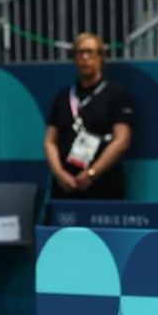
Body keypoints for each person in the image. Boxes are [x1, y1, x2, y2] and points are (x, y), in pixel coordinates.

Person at [44, 32, 133, 200]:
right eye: (80, 52)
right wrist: (59, 174)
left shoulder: (115, 94)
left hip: (103, 185)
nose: (85, 57)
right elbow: (49, 141)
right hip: (66, 185)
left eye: (90, 52)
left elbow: (122, 140)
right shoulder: (63, 96)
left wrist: (92, 173)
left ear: (101, 56)